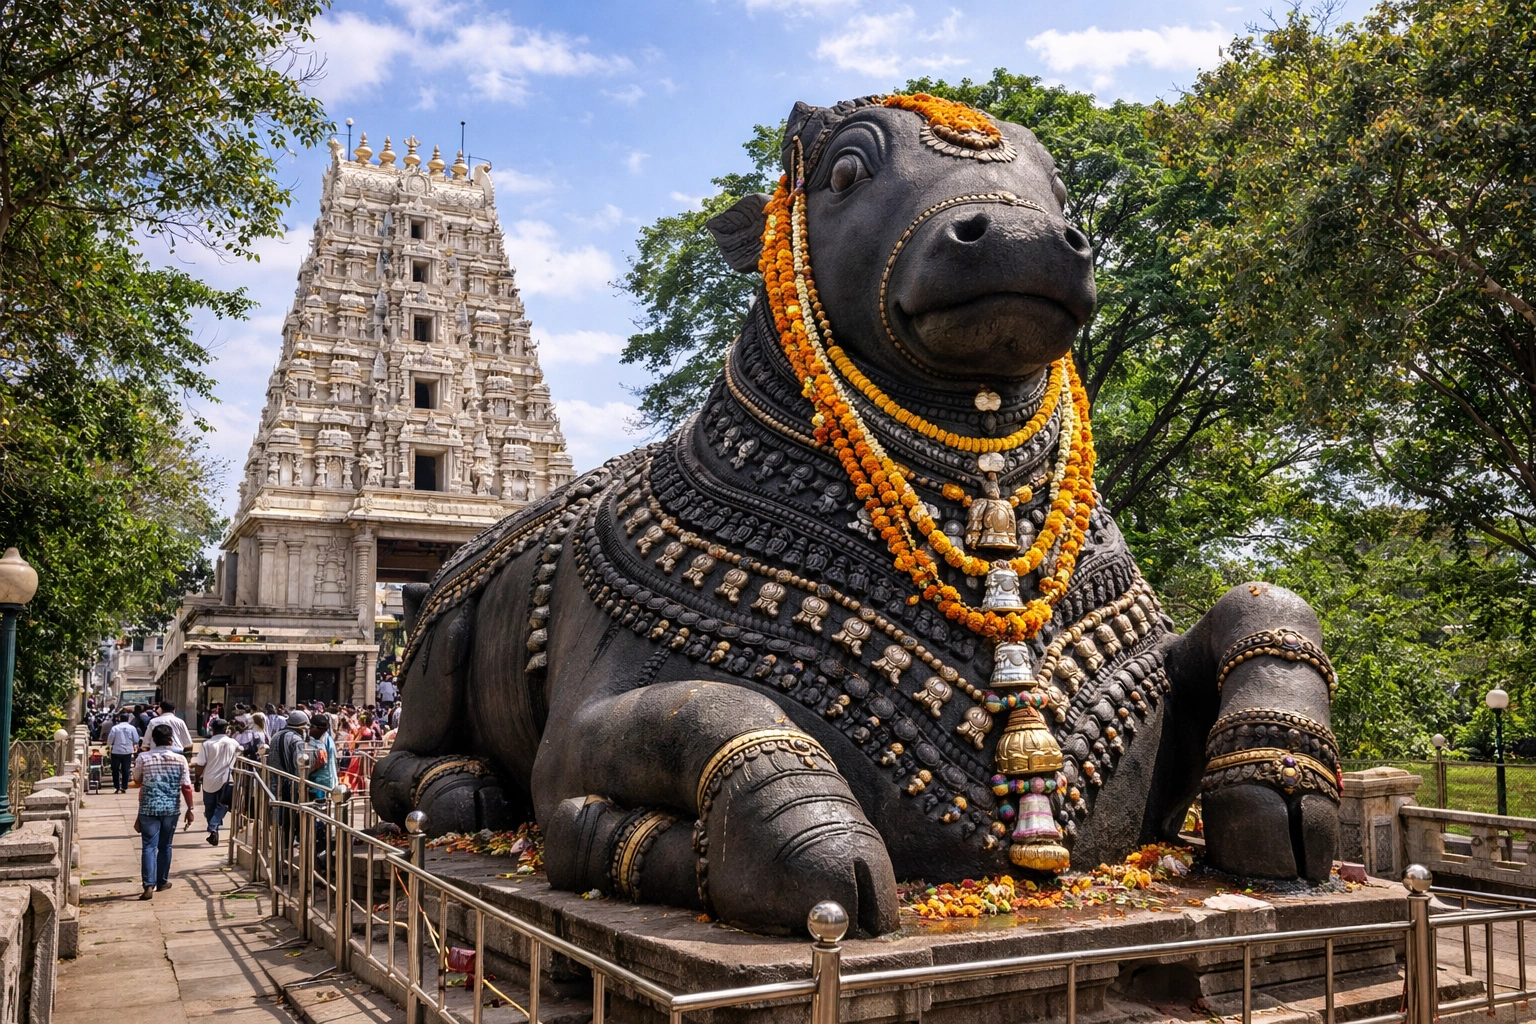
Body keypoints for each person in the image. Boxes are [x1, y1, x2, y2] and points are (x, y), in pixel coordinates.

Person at [131, 724, 193, 900]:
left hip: (148, 807)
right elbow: (186, 787)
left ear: (152, 740)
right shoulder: (180, 760)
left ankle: (148, 885)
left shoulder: (143, 758)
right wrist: (190, 808)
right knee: (165, 846)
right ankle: (162, 881)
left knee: (148, 846)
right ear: (171, 740)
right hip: (170, 808)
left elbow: (136, 779)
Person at [193, 719, 242, 847]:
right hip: (227, 779)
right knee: (223, 805)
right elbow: (241, 752)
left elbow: (200, 764)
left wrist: (197, 779)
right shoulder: (233, 743)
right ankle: (214, 827)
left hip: (209, 780)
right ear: (226, 730)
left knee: (210, 807)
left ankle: (213, 829)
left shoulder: (207, 744)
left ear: (212, 729)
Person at [304, 715, 338, 799]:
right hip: (324, 782)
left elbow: (320, 761)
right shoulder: (326, 739)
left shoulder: (322, 742)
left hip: (320, 784)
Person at [105, 712, 140, 793]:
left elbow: (110, 740)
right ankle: (124, 786)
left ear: (119, 719)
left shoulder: (115, 728)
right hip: (127, 751)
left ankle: (117, 786)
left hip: (116, 751)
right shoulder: (132, 728)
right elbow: (136, 739)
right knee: (126, 769)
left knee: (115, 769)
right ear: (127, 719)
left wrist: (109, 744)